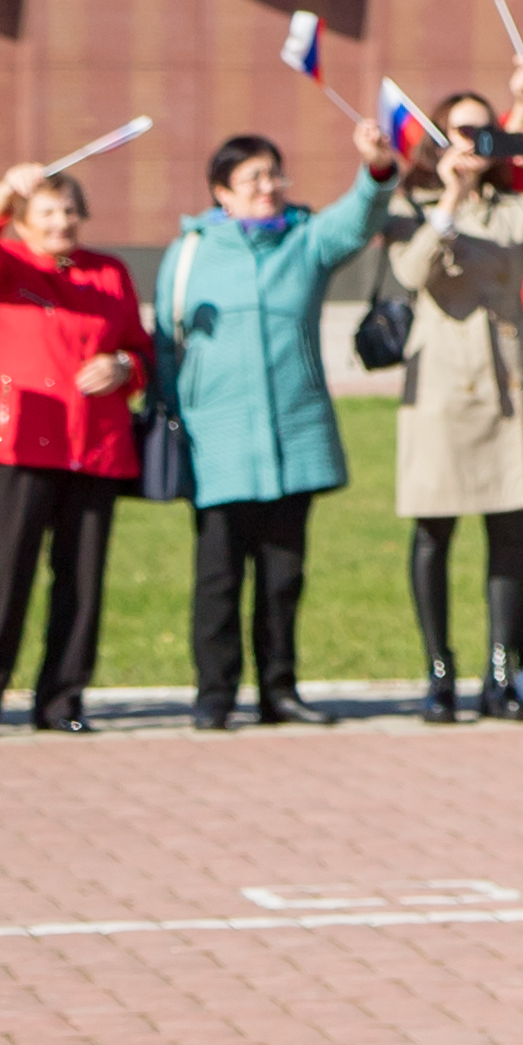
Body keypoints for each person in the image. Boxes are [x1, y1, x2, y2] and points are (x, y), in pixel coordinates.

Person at [158, 129, 386, 729]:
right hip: (218, 441)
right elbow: (164, 342)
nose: (267, 188)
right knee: (217, 578)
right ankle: (215, 693)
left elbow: (358, 220)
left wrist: (375, 171)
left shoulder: (305, 241)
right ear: (221, 194)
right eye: (252, 178)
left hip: (294, 435)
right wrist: (170, 420)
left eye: (274, 175)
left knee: (284, 576)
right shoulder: (190, 252)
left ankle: (279, 690)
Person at [380, 95, 523, 720]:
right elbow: (410, 274)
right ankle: (439, 674)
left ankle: (501, 673)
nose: (476, 141)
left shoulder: (516, 208)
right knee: (435, 529)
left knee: (512, 532)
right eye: (463, 129)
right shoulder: (411, 207)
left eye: (486, 131)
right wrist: (451, 200)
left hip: (511, 378)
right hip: (443, 381)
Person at [0, 154, 149, 736]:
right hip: (19, 440)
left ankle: (62, 700)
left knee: (82, 578)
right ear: (22, 221)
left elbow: (140, 349)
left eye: (68, 210)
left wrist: (122, 365)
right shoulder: (6, 265)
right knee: (5, 572)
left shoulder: (108, 273)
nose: (60, 222)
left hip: (95, 445)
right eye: (46, 212)